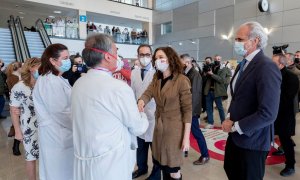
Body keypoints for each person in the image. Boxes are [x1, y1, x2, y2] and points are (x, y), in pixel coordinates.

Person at [72, 34, 148, 180]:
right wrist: (142, 114)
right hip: (110, 163)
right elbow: (138, 127)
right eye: (116, 52)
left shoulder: (79, 84)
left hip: (84, 160)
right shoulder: (117, 88)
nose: (117, 56)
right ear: (107, 57)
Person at [222, 21, 281, 180]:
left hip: (252, 141)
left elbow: (268, 113)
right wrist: (228, 118)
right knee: (232, 171)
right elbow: (236, 97)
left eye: (240, 39)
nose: (236, 43)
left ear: (255, 41)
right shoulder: (244, 64)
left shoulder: (266, 66)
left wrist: (235, 126)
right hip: (235, 138)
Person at [138, 47, 192, 180]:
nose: (158, 61)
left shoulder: (181, 80)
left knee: (173, 170)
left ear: (170, 58)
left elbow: (187, 110)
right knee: (162, 165)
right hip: (159, 127)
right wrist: (141, 101)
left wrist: (186, 138)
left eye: (161, 57)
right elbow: (148, 92)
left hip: (174, 130)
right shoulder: (157, 78)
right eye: (156, 58)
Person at [33, 43, 73, 180]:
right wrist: (80, 126)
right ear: (53, 60)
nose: (69, 61)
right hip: (56, 135)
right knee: (58, 173)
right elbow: (60, 112)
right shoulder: (50, 81)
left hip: (60, 134)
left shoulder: (57, 78)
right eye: (65, 58)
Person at [131, 44, 161, 180]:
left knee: (155, 149)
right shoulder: (134, 72)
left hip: (154, 116)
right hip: (139, 115)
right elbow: (132, 92)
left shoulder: (157, 73)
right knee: (140, 147)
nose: (144, 57)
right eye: (141, 55)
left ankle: (156, 173)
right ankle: (142, 168)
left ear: (152, 56)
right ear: (137, 56)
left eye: (147, 55)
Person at [10, 58, 41, 180]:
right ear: (30, 68)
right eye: (39, 67)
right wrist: (17, 131)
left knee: (46, 156)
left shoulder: (42, 83)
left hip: (45, 125)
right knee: (31, 157)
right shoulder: (19, 87)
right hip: (29, 126)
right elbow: (13, 111)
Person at [180, 54, 210, 165]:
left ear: (187, 63)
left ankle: (205, 155)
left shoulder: (195, 74)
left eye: (181, 62)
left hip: (191, 110)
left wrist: (189, 112)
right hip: (185, 109)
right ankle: (185, 150)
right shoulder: (185, 73)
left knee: (196, 132)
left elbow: (195, 95)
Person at [272, 54, 299, 176]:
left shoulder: (291, 77)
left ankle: (290, 165)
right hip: (271, 113)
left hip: (284, 115)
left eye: (273, 63)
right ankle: (281, 150)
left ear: (282, 64)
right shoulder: (271, 75)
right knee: (272, 136)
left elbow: (287, 98)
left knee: (285, 139)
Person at [203, 55, 227, 129]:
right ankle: (210, 123)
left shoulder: (223, 69)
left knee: (220, 108)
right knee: (209, 108)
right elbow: (205, 78)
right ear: (213, 59)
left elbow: (221, 80)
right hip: (209, 91)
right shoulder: (210, 67)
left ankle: (223, 123)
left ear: (221, 60)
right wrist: (206, 73)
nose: (217, 60)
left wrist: (212, 74)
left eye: (219, 59)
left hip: (217, 92)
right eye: (216, 59)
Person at [6, 61, 22, 155]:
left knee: (18, 124)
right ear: (18, 68)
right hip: (17, 104)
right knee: (18, 125)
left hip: (17, 104)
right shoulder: (14, 78)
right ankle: (15, 147)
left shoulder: (13, 77)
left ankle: (16, 145)